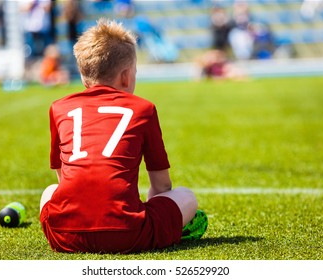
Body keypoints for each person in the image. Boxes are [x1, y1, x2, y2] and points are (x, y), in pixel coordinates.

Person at [40, 19, 208, 253]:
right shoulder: (143, 109)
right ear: (127, 76)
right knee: (186, 196)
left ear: (83, 75)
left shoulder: (58, 107)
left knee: (48, 191)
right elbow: (161, 186)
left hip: (64, 236)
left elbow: (62, 181)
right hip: (128, 235)